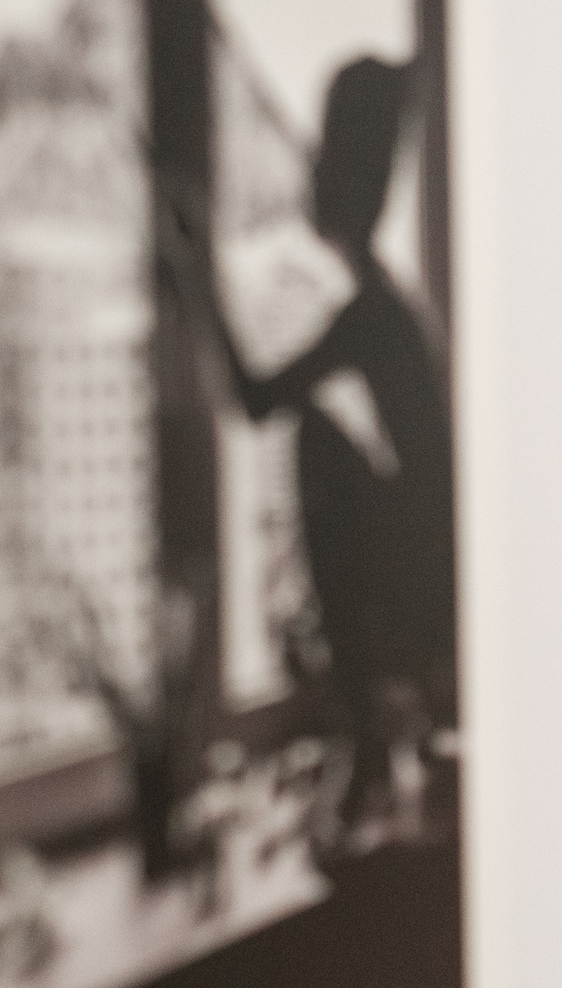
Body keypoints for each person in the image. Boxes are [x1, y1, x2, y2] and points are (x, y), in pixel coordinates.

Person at [189, 57, 458, 851]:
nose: (309, 168)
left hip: (421, 608)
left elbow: (255, 397)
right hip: (421, 597)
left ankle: (368, 727)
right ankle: (368, 729)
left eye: (323, 154)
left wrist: (192, 271)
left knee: (316, 438)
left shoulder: (376, 313)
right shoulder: (380, 306)